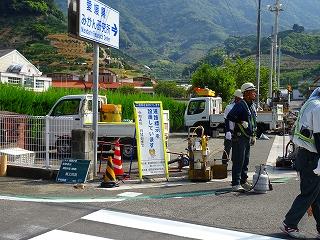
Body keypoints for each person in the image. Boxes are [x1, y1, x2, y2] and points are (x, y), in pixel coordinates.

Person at [280, 87, 320, 239]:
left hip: (306, 154)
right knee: (309, 193)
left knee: (317, 194)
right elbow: (319, 136)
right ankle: (289, 224)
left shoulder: (311, 103)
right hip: (312, 156)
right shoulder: (318, 107)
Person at [226, 82, 257, 192]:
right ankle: (236, 183)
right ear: (247, 93)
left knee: (245, 160)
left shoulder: (251, 105)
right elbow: (230, 117)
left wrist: (253, 135)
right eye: (253, 91)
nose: (255, 93)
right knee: (239, 160)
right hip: (239, 137)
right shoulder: (240, 105)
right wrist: (240, 122)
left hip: (247, 137)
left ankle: (243, 181)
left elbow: (253, 121)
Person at [222, 89, 243, 161]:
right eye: (240, 99)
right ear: (236, 98)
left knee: (237, 150)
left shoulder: (242, 107)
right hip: (230, 131)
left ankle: (235, 164)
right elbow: (226, 119)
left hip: (239, 132)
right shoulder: (229, 107)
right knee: (227, 149)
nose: (241, 100)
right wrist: (227, 131)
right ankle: (224, 164)